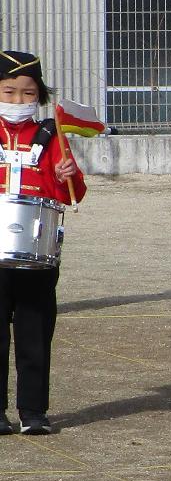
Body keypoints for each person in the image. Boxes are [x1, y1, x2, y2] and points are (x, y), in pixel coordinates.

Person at [0, 50, 86, 436]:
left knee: (35, 333)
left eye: (28, 93)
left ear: (40, 96)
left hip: (37, 256)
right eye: (9, 92)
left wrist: (69, 173)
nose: (19, 101)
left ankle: (33, 411)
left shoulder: (53, 135)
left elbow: (72, 193)